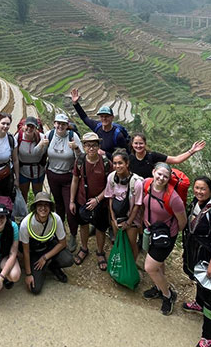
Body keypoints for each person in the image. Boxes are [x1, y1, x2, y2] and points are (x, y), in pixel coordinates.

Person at [182, 176, 211, 347]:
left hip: (209, 258)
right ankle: (199, 303)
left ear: (210, 190)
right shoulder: (195, 203)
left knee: (210, 295)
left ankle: (208, 336)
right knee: (198, 280)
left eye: (203, 189)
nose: (199, 192)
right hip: (196, 253)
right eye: (196, 188)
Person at [142, 162, 187, 315]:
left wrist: (170, 233)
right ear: (153, 172)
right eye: (159, 174)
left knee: (150, 267)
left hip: (166, 237)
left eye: (165, 176)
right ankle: (158, 287)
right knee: (158, 264)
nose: (161, 178)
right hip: (151, 232)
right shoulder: (147, 184)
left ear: (169, 179)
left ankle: (168, 295)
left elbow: (182, 222)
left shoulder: (173, 198)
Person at [69, 132, 111, 271]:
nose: (91, 148)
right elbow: (75, 180)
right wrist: (72, 201)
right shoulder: (80, 161)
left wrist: (98, 199)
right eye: (88, 145)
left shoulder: (106, 163)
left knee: (100, 228)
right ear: (84, 147)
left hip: (101, 202)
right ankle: (84, 248)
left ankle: (100, 252)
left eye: (94, 145)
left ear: (98, 146)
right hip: (83, 200)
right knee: (83, 225)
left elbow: (110, 185)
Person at [19, 192, 74, 294]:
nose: (43, 208)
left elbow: (63, 243)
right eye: (40, 205)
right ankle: (40, 270)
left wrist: (45, 258)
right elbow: (25, 251)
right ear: (35, 207)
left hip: (48, 246)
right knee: (35, 289)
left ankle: (52, 266)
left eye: (46, 205)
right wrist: (28, 274)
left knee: (68, 259)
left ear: (50, 207)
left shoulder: (56, 219)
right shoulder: (26, 224)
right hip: (34, 251)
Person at [44, 113, 83, 251]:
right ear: (54, 123)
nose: (60, 126)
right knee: (58, 206)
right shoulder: (49, 134)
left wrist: (76, 148)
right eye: (58, 123)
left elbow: (81, 157)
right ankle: (59, 233)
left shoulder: (73, 136)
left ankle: (73, 234)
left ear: (67, 125)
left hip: (68, 177)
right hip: (52, 175)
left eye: (63, 124)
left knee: (70, 208)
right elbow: (42, 151)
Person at [104, 149, 145, 265]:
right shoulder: (111, 178)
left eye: (120, 163)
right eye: (115, 163)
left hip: (131, 220)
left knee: (131, 244)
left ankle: (131, 266)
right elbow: (110, 198)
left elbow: (137, 205)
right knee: (119, 241)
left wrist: (128, 222)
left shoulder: (136, 183)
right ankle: (121, 264)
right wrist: (113, 218)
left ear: (127, 163)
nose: (117, 166)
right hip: (116, 218)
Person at [69, 88, 128, 158]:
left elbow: (126, 154)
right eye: (102, 116)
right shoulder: (97, 126)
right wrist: (75, 104)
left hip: (111, 163)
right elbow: (85, 118)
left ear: (112, 117)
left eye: (107, 116)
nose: (104, 118)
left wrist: (105, 153)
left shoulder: (118, 135)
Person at [129, 134, 206, 179]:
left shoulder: (152, 156)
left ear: (145, 144)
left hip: (151, 190)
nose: (138, 146)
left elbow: (176, 160)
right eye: (136, 143)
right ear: (132, 144)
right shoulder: (130, 158)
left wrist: (192, 151)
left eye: (141, 143)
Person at [16, 116, 49, 202]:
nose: (29, 129)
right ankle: (24, 210)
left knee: (38, 195)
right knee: (23, 195)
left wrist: (42, 144)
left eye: (32, 127)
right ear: (24, 126)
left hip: (38, 172)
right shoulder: (18, 137)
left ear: (36, 128)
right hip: (23, 171)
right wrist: (40, 144)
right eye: (28, 126)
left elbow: (37, 154)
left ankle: (38, 209)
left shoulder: (42, 138)